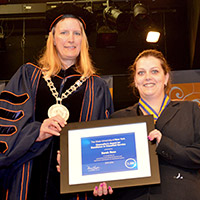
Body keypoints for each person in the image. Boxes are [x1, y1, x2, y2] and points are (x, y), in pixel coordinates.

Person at [0, 3, 114, 200]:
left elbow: (104, 144)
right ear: (52, 39)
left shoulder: (97, 88)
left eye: (77, 33)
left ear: (84, 41)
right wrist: (36, 132)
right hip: (26, 182)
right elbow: (5, 127)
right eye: (64, 32)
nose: (71, 39)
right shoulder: (28, 76)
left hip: (75, 189)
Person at [93, 49, 200, 200]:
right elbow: (109, 165)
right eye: (141, 73)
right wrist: (102, 185)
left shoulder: (190, 110)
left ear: (165, 77)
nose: (147, 77)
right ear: (135, 81)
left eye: (155, 71)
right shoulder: (118, 118)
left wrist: (164, 144)